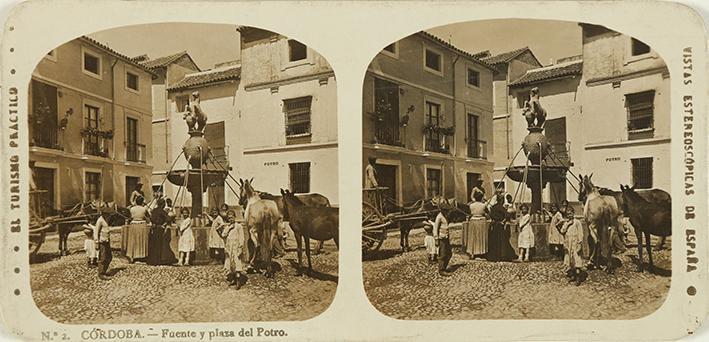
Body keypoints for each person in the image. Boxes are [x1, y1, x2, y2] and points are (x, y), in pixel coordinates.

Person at [487, 193, 518, 262]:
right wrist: (503, 221)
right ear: (501, 200)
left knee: (494, 240)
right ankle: (502, 255)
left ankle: (494, 255)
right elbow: (507, 215)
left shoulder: (493, 207)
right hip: (499, 225)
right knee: (501, 240)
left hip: (494, 225)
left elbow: (490, 215)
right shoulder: (501, 207)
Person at [560, 206, 586, 286]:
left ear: (573, 213)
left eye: (570, 214)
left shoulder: (577, 222)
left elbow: (580, 233)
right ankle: (573, 275)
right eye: (567, 214)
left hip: (575, 242)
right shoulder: (566, 223)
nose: (569, 216)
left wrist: (579, 243)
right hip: (568, 242)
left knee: (576, 259)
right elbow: (562, 231)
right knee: (570, 260)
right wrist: (567, 224)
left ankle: (578, 277)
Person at [222, 210, 247, 289]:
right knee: (231, 264)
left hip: (236, 247)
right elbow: (223, 235)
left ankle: (238, 280)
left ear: (235, 217)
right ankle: (233, 279)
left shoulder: (238, 226)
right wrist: (229, 229)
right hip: (230, 246)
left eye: (232, 218)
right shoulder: (228, 226)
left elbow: (241, 237)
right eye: (229, 218)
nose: (230, 219)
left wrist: (240, 247)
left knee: (237, 262)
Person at [429, 205, 452, 277]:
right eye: (446, 210)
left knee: (449, 253)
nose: (447, 212)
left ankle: (444, 267)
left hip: (446, 237)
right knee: (442, 254)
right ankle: (441, 270)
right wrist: (436, 239)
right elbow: (435, 229)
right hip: (441, 238)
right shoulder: (439, 217)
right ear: (442, 210)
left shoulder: (445, 216)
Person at [94, 206, 113, 280]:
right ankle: (101, 273)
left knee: (109, 257)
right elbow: (96, 232)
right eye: (107, 214)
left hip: (106, 240)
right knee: (103, 257)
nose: (108, 215)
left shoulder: (106, 220)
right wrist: (96, 242)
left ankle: (104, 271)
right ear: (103, 214)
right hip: (102, 241)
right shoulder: (100, 220)